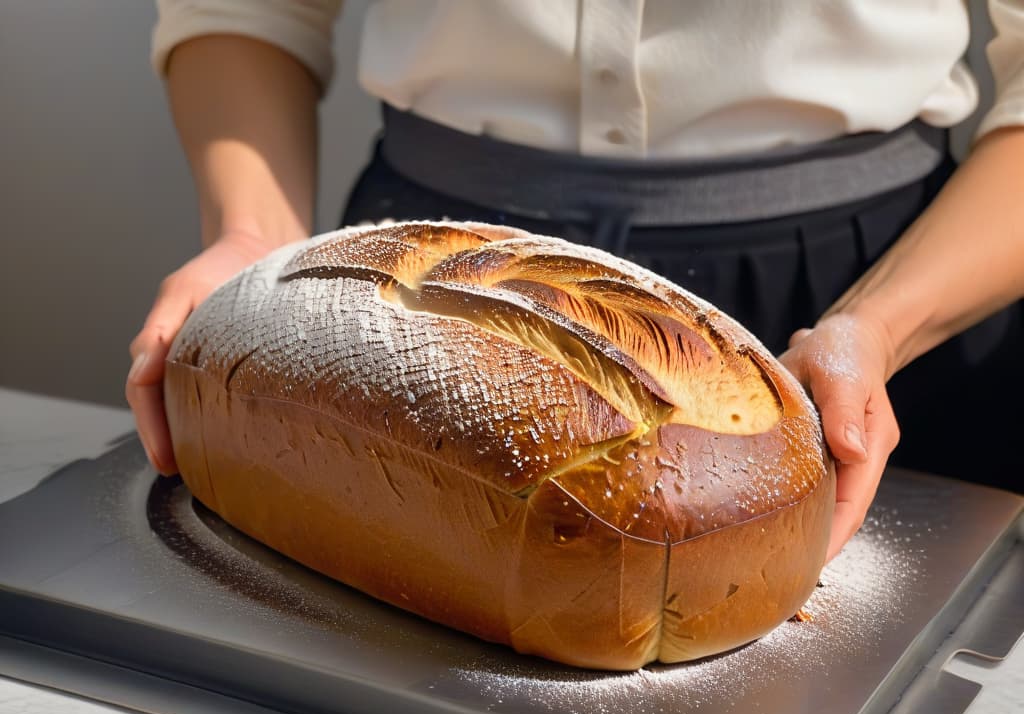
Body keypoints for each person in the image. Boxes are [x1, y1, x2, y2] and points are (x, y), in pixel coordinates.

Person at [127, 1, 1024, 561]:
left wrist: (878, 326)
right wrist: (251, 238)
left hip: (878, 299)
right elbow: (243, 10)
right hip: (421, 285)